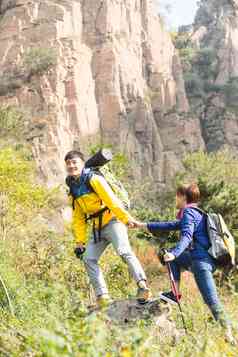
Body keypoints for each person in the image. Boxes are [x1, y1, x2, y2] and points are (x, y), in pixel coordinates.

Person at [133, 183, 235, 343]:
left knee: (211, 299)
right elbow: (171, 225)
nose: (175, 198)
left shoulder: (188, 212)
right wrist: (142, 225)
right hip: (199, 260)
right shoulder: (196, 213)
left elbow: (186, 236)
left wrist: (174, 254)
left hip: (201, 263)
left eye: (177, 195)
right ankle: (175, 294)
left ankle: (228, 332)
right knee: (173, 257)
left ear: (182, 196)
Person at [64, 150, 152, 307]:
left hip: (113, 221)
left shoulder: (94, 179)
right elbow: (78, 217)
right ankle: (102, 296)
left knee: (124, 251)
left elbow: (112, 201)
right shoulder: (72, 187)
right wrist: (80, 242)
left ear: (82, 163)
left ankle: (142, 286)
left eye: (74, 162)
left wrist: (126, 219)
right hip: (96, 228)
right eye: (68, 163)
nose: (71, 166)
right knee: (88, 258)